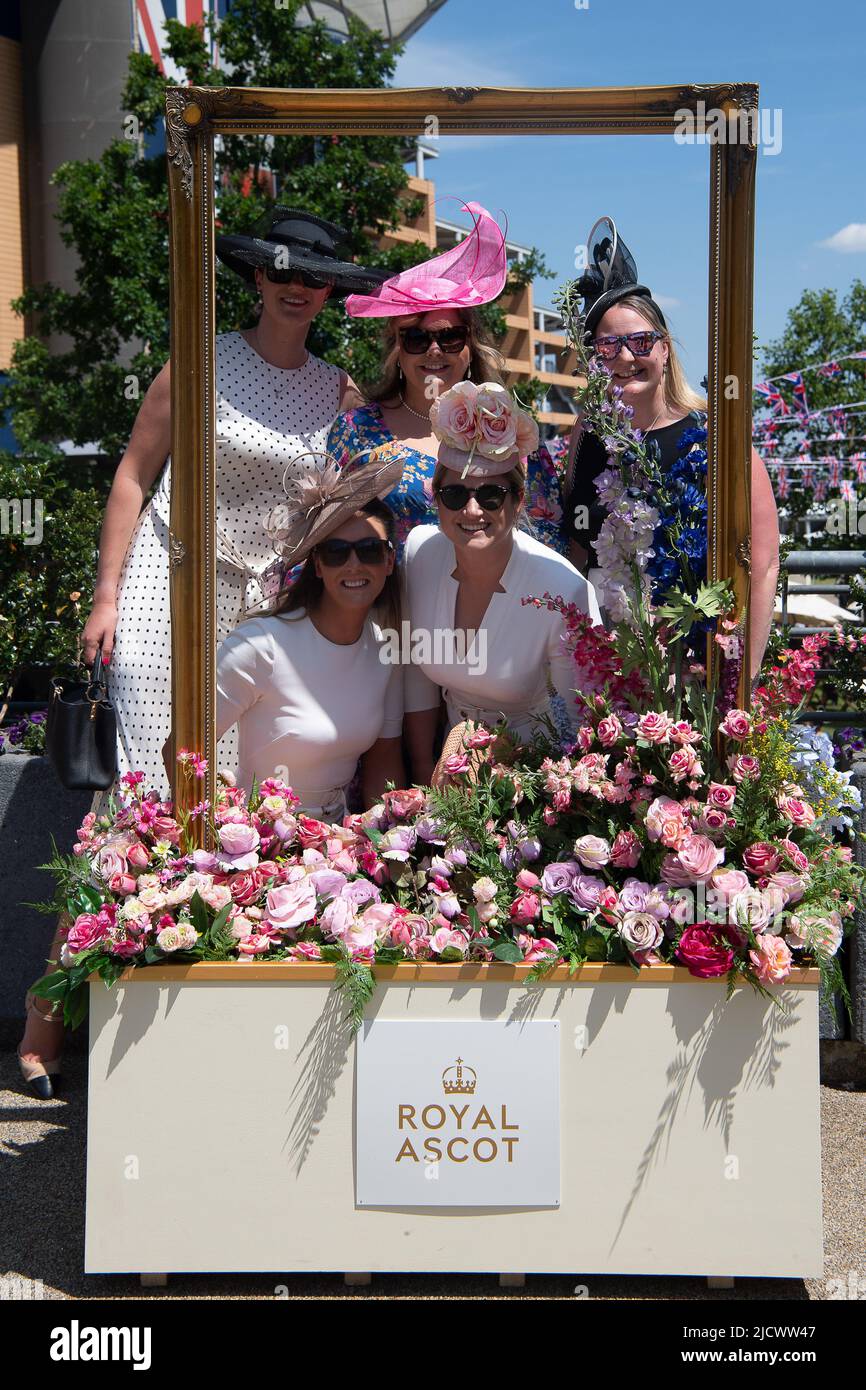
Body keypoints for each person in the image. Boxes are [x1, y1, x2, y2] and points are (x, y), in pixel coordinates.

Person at [17, 209, 386, 1096]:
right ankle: (47, 1021)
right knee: (137, 799)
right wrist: (104, 595)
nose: (299, 286)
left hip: (263, 611)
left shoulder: (339, 392)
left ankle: (190, 1011)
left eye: (318, 276)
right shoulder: (201, 358)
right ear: (257, 278)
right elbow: (134, 474)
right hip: (166, 586)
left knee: (234, 803)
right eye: (282, 271)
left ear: (332, 292)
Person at [562, 217, 779, 679]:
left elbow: (761, 564)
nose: (624, 357)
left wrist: (742, 679)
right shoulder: (587, 439)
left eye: (639, 341)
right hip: (608, 668)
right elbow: (577, 556)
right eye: (606, 347)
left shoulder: (714, 438)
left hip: (695, 668)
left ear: (664, 349)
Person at [327, 202, 565, 558]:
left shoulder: (509, 427)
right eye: (416, 339)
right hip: (390, 611)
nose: (434, 351)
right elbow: (324, 535)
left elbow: (552, 540)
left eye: (450, 337)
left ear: (470, 345)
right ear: (397, 349)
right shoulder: (356, 430)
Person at [401, 382, 602, 785]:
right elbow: (417, 676)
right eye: (454, 494)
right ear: (435, 498)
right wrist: (423, 774)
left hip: (538, 781)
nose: (472, 509)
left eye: (491, 494)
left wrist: (505, 766)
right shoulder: (419, 553)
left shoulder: (566, 591)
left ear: (518, 499)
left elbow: (579, 728)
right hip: (447, 772)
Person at [216, 453, 406, 818]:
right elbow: (183, 751)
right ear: (317, 565)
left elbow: (384, 765)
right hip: (254, 845)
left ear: (388, 561)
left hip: (341, 848)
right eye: (336, 553)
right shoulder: (259, 645)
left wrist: (390, 843)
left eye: (369, 550)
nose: (353, 564)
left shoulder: (386, 650)